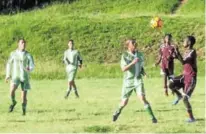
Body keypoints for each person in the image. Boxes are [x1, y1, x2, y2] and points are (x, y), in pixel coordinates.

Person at [113, 39, 157, 123]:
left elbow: (140, 66)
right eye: (132, 43)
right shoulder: (125, 55)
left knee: (142, 98)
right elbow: (123, 69)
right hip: (128, 81)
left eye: (135, 42)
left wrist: (143, 73)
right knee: (124, 102)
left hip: (138, 80)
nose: (135, 44)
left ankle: (153, 118)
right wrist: (132, 63)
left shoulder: (140, 54)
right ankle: (117, 112)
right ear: (128, 46)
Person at [169, 36, 197, 122]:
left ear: (189, 43)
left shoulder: (193, 52)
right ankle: (178, 95)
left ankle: (191, 118)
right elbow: (182, 61)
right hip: (184, 75)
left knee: (185, 99)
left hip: (191, 78)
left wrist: (178, 52)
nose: (183, 42)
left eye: (184, 41)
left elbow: (184, 61)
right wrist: (175, 54)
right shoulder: (186, 52)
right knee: (171, 83)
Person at [5, 39, 35, 115]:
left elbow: (32, 65)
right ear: (18, 44)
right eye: (22, 43)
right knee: (11, 90)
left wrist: (30, 68)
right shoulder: (13, 54)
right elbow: (9, 64)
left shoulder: (28, 55)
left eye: (24, 43)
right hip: (15, 76)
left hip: (24, 77)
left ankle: (24, 111)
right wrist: (8, 75)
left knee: (23, 97)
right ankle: (13, 102)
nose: (23, 44)